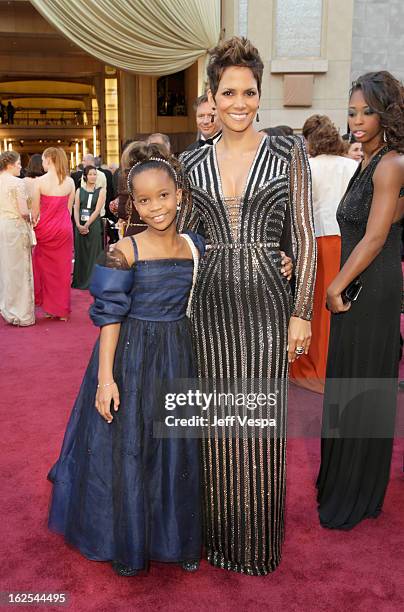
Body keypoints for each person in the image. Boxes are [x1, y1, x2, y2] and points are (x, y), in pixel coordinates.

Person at [178, 36, 316, 575]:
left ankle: (256, 545)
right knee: (215, 423)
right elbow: (182, 237)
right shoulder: (190, 161)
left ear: (261, 95)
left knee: (259, 422)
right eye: (229, 91)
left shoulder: (289, 152)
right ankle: (216, 539)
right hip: (206, 307)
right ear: (212, 94)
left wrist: (300, 310)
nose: (240, 103)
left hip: (265, 304)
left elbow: (303, 236)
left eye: (250, 92)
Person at [48, 143, 203, 576]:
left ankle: (178, 536)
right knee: (132, 447)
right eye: (145, 199)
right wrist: (105, 380)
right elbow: (109, 319)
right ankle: (130, 538)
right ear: (132, 203)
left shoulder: (195, 246)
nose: (156, 207)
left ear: (180, 194)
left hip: (178, 357)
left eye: (164, 195)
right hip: (132, 359)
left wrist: (281, 261)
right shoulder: (124, 251)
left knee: (176, 450)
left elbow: (223, 276)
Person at [317, 71, 404, 530]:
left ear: (387, 112)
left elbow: (374, 238)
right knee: (348, 381)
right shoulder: (365, 163)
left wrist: (335, 286)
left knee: (363, 383)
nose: (357, 120)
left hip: (372, 287)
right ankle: (345, 481)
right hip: (357, 282)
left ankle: (357, 491)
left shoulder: (392, 164)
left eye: (367, 111)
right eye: (352, 111)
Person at [290, 115, 357, 393]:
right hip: (349, 244)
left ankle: (313, 367)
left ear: (309, 139)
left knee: (315, 309)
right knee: (342, 307)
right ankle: (339, 368)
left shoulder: (308, 166)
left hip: (316, 242)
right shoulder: (352, 165)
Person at [32, 147, 75, 321]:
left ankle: (50, 308)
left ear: (49, 159)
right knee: (63, 271)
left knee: (46, 270)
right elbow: (68, 210)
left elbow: (35, 213)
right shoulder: (70, 182)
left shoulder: (39, 182)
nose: (42, 163)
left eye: (43, 160)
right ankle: (62, 311)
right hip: (64, 229)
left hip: (45, 230)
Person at [0, 150, 35, 326]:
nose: (21, 167)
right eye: (19, 164)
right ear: (10, 165)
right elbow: (23, 211)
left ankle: (7, 308)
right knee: (20, 270)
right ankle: (21, 314)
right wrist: (32, 216)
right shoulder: (17, 183)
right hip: (15, 228)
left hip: (2, 227)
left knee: (5, 269)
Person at [72, 165, 106, 289]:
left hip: (93, 225)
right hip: (79, 224)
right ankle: (79, 280)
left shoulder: (101, 190)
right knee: (80, 253)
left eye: (95, 174)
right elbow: (76, 208)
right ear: (85, 176)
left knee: (93, 253)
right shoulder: (79, 191)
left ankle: (93, 281)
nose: (93, 176)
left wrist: (87, 224)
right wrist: (78, 224)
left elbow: (97, 210)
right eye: (90, 174)